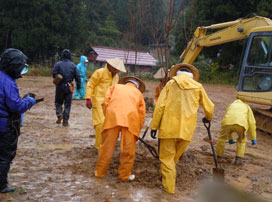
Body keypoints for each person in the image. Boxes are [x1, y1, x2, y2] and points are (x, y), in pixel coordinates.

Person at [150, 63, 214, 194]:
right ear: (191, 75)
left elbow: (160, 106)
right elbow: (210, 107)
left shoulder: (170, 85)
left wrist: (154, 126)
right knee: (173, 160)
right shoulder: (198, 87)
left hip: (168, 128)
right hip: (187, 131)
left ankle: (169, 188)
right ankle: (166, 178)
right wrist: (208, 117)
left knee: (167, 160)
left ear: (177, 73)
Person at [95, 76, 146, 181]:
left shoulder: (115, 87)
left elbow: (105, 102)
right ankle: (124, 175)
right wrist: (137, 129)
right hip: (131, 120)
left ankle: (99, 173)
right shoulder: (138, 94)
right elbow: (141, 114)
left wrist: (108, 116)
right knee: (128, 149)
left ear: (125, 82)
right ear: (137, 86)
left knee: (106, 147)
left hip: (113, 117)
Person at [0, 48, 37, 193]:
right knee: (5, 155)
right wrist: (30, 100)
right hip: (5, 126)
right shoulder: (8, 82)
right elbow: (16, 106)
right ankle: (1, 185)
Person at [85, 58, 126, 149]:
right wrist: (88, 98)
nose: (117, 71)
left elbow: (116, 90)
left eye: (118, 70)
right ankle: (99, 146)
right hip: (98, 101)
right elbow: (91, 85)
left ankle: (106, 145)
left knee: (109, 125)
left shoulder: (117, 77)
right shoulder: (99, 72)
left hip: (110, 103)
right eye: (116, 69)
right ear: (110, 66)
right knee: (100, 123)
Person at [215, 99, 257, 165]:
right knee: (241, 140)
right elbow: (252, 123)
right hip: (241, 124)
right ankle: (239, 159)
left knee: (221, 139)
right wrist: (253, 138)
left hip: (227, 123)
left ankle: (218, 157)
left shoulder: (230, 105)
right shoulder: (246, 106)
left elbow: (229, 120)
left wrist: (230, 139)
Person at [52, 49, 81, 126]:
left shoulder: (57, 64)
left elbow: (54, 74)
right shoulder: (73, 66)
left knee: (58, 102)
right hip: (69, 87)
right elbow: (78, 77)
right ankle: (65, 121)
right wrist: (79, 87)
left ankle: (59, 114)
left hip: (59, 87)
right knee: (67, 105)